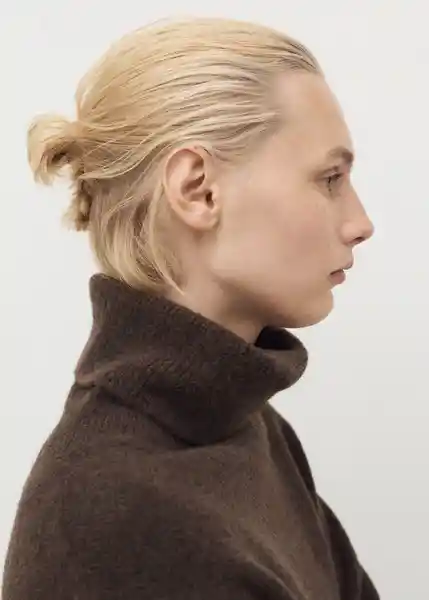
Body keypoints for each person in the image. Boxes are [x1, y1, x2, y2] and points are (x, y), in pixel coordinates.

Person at [2, 16, 379, 600]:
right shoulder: (111, 517)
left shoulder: (251, 431)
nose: (360, 223)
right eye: (330, 178)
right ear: (198, 189)